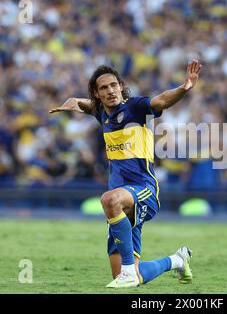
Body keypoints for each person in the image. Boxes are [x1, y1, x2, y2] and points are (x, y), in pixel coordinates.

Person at [49, 59, 202, 288]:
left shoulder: (136, 107)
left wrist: (184, 87)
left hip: (143, 191)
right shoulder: (101, 112)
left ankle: (128, 272)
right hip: (122, 203)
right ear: (97, 94)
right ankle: (177, 260)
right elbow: (87, 105)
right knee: (125, 274)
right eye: (104, 88)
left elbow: (162, 100)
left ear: (121, 86)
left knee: (108, 199)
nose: (110, 91)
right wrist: (74, 102)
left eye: (113, 85)